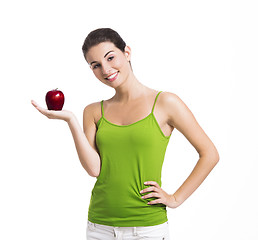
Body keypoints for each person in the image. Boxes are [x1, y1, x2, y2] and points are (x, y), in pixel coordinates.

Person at [31, 28, 219, 240]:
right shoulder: (93, 111)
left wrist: (175, 198)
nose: (105, 69)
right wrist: (70, 120)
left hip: (147, 229)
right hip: (99, 226)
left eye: (110, 57)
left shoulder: (166, 103)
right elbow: (94, 169)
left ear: (127, 52)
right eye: (96, 65)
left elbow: (210, 154)